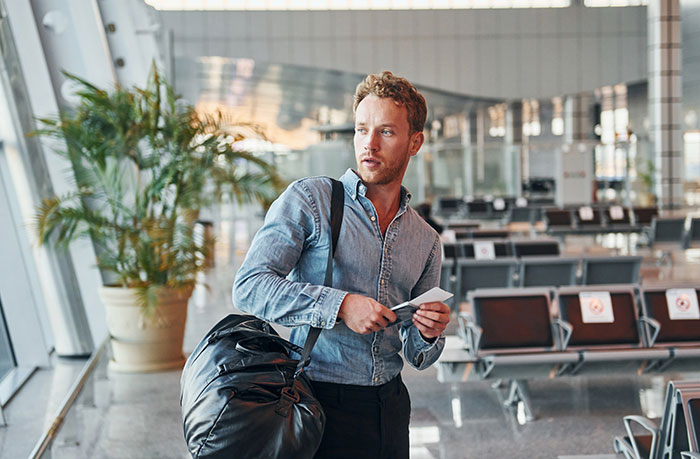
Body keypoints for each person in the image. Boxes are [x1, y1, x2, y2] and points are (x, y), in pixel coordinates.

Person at [233, 71, 450, 459]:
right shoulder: (311, 200)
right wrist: (342, 305)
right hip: (315, 401)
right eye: (361, 129)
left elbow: (417, 355)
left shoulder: (426, 240)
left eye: (386, 132)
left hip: (390, 407)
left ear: (414, 142)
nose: (369, 144)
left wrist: (430, 333)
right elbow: (250, 286)